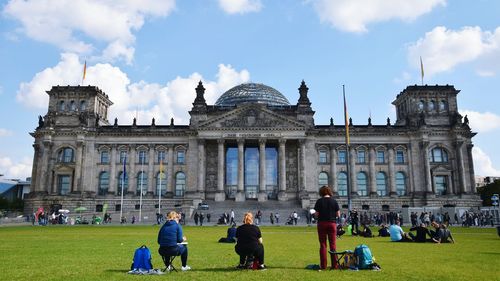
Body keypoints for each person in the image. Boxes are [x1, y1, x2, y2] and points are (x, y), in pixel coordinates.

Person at [313, 186, 340, 270]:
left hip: (322, 224)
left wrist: (314, 215)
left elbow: (316, 214)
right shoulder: (334, 201)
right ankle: (334, 265)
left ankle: (323, 266)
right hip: (332, 224)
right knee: (333, 245)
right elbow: (338, 215)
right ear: (329, 192)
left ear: (321, 192)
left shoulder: (319, 201)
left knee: (323, 245)